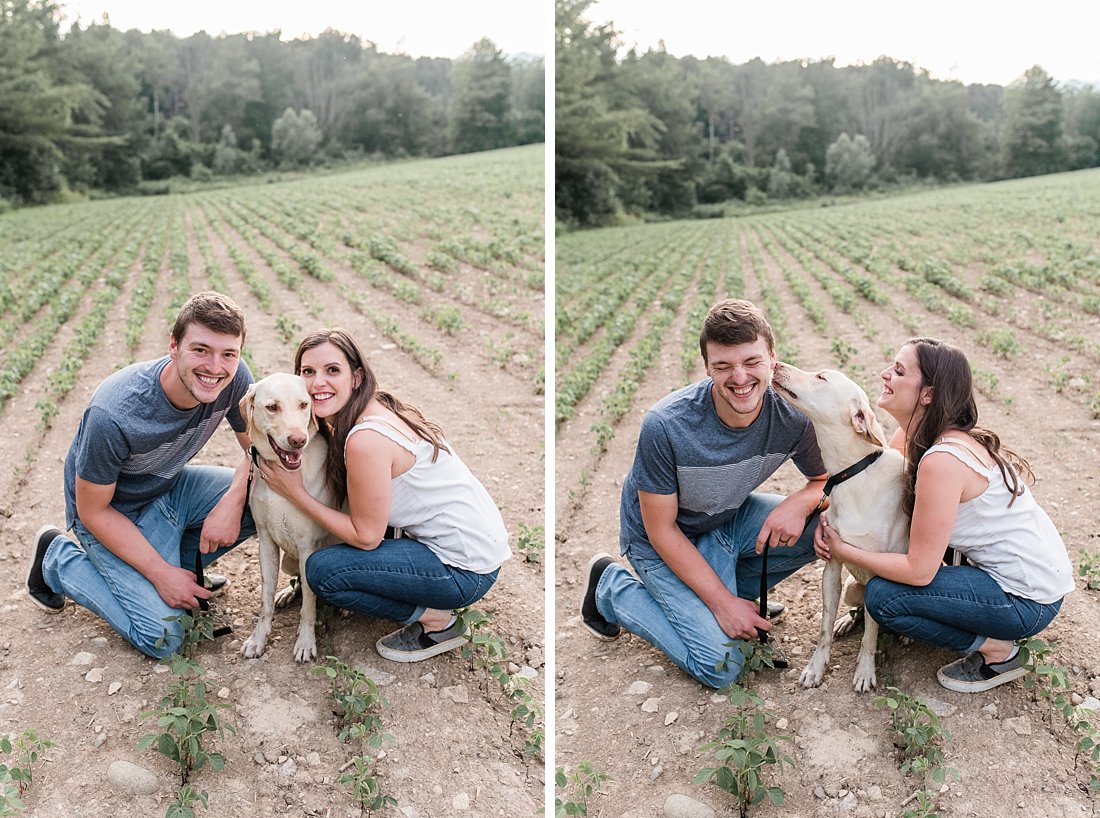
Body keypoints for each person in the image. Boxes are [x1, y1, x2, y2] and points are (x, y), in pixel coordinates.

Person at [580, 299, 828, 688]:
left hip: (727, 520)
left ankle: (730, 592)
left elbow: (827, 478)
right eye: (724, 366)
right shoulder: (667, 425)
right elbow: (661, 531)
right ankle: (611, 588)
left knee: (821, 529)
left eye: (751, 361)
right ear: (707, 367)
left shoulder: (793, 415)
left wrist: (803, 500)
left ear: (772, 359)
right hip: (659, 541)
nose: (740, 377)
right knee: (721, 665)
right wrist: (723, 605)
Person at [814, 337, 1074, 693]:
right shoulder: (917, 435)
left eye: (900, 371)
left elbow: (920, 571)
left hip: (1026, 601)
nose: (884, 374)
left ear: (927, 395)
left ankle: (997, 650)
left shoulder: (941, 460)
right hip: (1032, 580)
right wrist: (830, 515)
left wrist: (844, 552)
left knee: (883, 598)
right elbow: (867, 481)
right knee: (886, 587)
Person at [256, 328, 510, 663]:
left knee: (323, 571)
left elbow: (366, 537)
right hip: (476, 550)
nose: (318, 383)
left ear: (356, 377)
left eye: (332, 370)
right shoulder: (374, 409)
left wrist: (297, 493)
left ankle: (437, 620)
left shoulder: (366, 439)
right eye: (308, 372)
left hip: (462, 570)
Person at [25, 291, 256, 658]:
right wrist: (161, 576)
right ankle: (57, 559)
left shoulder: (235, 378)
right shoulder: (115, 412)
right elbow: (94, 511)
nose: (216, 367)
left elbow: (255, 448)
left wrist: (233, 500)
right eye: (201, 350)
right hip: (111, 512)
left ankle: (177, 567)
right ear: (174, 346)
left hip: (169, 489)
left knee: (260, 497)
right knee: (163, 639)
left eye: (228, 353)